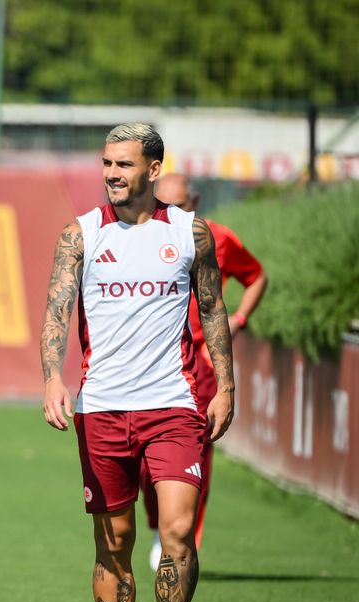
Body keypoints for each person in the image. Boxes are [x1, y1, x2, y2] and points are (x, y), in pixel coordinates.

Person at [40, 124, 234, 602]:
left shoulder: (189, 233)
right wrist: (52, 377)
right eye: (106, 163)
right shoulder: (80, 235)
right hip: (101, 408)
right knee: (114, 540)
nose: (112, 174)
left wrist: (225, 385)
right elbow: (56, 311)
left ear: (153, 170)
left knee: (176, 532)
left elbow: (213, 307)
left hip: (174, 406)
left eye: (124, 164)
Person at [141, 173, 268, 568]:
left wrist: (240, 319)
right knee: (143, 459)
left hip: (201, 363)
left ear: (194, 201)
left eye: (181, 206)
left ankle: (182, 538)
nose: (173, 213)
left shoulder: (216, 237)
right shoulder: (138, 239)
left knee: (196, 453)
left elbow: (256, 276)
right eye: (165, 205)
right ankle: (160, 524)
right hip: (151, 361)